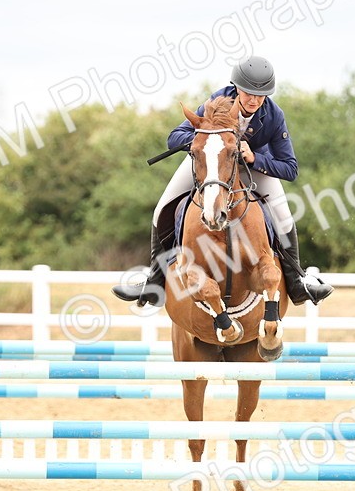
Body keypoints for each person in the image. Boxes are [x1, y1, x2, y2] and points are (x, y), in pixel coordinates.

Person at [112, 56, 333, 308]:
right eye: (249, 93)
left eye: (261, 96)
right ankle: (154, 279)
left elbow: (290, 167)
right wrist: (207, 142)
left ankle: (296, 280)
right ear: (237, 87)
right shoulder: (217, 101)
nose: (254, 100)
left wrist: (254, 157)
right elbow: (175, 137)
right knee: (162, 206)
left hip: (252, 167)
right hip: (211, 162)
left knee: (283, 213)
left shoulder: (273, 115)